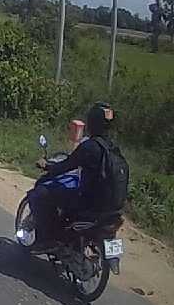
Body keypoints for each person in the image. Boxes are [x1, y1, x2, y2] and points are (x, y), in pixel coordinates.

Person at [30, 102, 128, 245]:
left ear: (92, 122)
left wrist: (47, 166)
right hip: (113, 208)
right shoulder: (112, 148)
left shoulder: (90, 146)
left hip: (89, 204)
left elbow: (65, 166)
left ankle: (45, 240)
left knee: (40, 194)